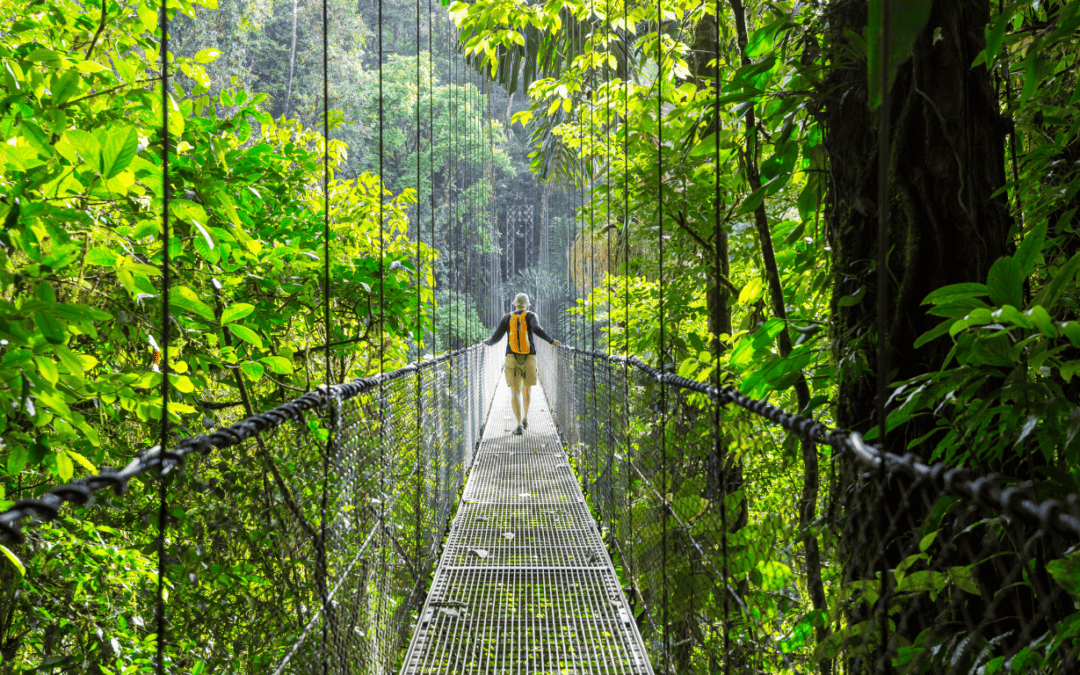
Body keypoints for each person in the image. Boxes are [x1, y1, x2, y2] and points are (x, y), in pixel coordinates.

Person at [483, 293, 560, 435]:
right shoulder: (531, 316)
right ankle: (525, 417)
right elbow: (536, 329)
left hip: (511, 357)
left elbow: (496, 338)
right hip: (529, 357)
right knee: (527, 389)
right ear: (526, 304)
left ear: (515, 304)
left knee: (515, 392)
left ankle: (518, 425)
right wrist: (550, 340)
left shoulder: (507, 317)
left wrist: (487, 342)